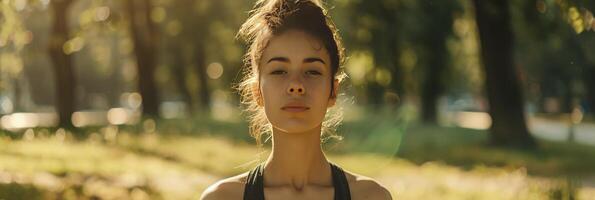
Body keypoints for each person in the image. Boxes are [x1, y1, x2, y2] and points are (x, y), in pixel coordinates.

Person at [201, 0, 392, 199]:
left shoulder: (370, 196)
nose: (296, 85)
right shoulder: (221, 198)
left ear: (333, 91)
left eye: (312, 71)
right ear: (257, 92)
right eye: (279, 71)